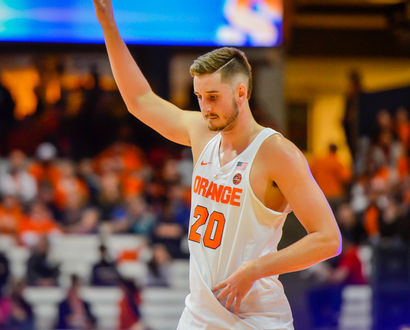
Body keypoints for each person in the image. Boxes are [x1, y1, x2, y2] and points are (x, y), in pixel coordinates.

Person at [92, 1, 342, 328]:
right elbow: (140, 101)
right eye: (199, 97)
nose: (204, 107)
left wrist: (255, 268)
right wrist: (108, 23)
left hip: (255, 317)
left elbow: (328, 239)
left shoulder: (276, 153)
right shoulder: (201, 132)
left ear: (241, 92)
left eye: (213, 97)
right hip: (200, 315)